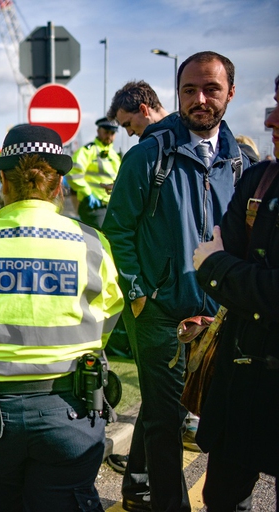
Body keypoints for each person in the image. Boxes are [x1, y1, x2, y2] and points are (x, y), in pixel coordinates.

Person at [0, 124, 123, 511]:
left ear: (3, 181)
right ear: (58, 185)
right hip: (70, 412)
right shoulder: (91, 243)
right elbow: (106, 322)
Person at [102, 51, 251, 512]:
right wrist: (139, 295)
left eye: (211, 89)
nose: (200, 99)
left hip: (223, 317)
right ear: (177, 95)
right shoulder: (149, 154)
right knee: (165, 422)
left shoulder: (242, 162)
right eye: (189, 90)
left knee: (221, 417)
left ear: (230, 92)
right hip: (160, 315)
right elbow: (117, 232)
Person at [192, 74, 279, 511]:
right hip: (243, 374)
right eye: (275, 106)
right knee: (223, 497)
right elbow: (217, 248)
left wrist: (221, 270)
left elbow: (213, 260)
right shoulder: (262, 179)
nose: (273, 121)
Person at [66, 117, 121, 229]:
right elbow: (73, 173)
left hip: (111, 207)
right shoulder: (87, 151)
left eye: (112, 133)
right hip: (93, 206)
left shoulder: (115, 156)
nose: (109, 136)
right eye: (106, 132)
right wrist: (87, 193)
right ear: (98, 131)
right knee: (99, 240)